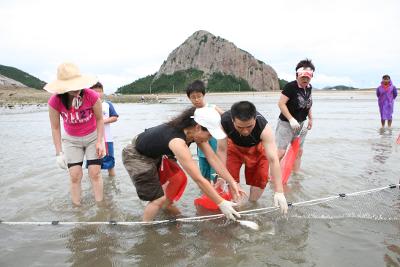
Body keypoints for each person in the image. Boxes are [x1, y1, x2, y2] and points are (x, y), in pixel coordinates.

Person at [122, 106, 244, 221]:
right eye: (210, 135)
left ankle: (167, 207)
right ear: (197, 127)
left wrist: (232, 181)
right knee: (157, 198)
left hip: (157, 153)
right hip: (137, 156)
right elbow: (198, 178)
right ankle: (146, 228)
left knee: (177, 179)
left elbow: (213, 158)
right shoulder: (177, 142)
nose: (210, 138)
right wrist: (221, 203)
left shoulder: (194, 134)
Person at [44, 62, 106, 206]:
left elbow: (99, 119)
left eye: (78, 85)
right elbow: (55, 128)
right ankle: (78, 209)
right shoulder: (55, 101)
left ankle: (100, 207)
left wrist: (99, 141)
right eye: (72, 87)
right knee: (74, 175)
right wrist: (58, 152)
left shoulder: (91, 95)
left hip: (92, 137)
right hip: (72, 140)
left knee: (95, 172)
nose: (77, 89)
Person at [217, 101, 288, 213]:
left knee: (260, 179)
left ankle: (252, 206)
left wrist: (279, 191)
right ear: (232, 121)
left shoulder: (264, 127)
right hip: (233, 148)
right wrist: (221, 176)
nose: (245, 131)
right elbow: (221, 150)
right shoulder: (224, 122)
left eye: (249, 126)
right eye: (240, 127)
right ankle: (238, 208)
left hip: (257, 149)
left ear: (255, 119)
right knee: (231, 178)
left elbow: (273, 160)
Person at [276, 59, 315, 172]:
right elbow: (281, 104)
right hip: (286, 124)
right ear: (297, 75)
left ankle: (296, 176)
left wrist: (311, 118)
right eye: (303, 76)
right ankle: (272, 177)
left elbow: (308, 103)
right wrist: (291, 119)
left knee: (298, 151)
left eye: (308, 76)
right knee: (280, 152)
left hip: (301, 124)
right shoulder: (290, 87)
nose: (305, 79)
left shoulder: (309, 87)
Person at [186, 80, 224, 183]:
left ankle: (217, 192)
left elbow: (226, 117)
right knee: (204, 175)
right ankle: (206, 194)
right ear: (189, 98)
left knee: (215, 174)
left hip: (215, 148)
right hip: (201, 150)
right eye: (193, 97)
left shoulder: (212, 107)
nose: (196, 99)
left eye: (199, 96)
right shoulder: (192, 112)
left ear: (204, 95)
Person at [90, 82, 119, 176]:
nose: (98, 94)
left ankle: (112, 184)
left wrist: (102, 121)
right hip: (92, 139)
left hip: (107, 139)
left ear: (103, 92)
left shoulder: (107, 104)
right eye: (95, 92)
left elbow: (115, 117)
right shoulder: (88, 105)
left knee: (110, 163)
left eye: (100, 91)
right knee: (92, 165)